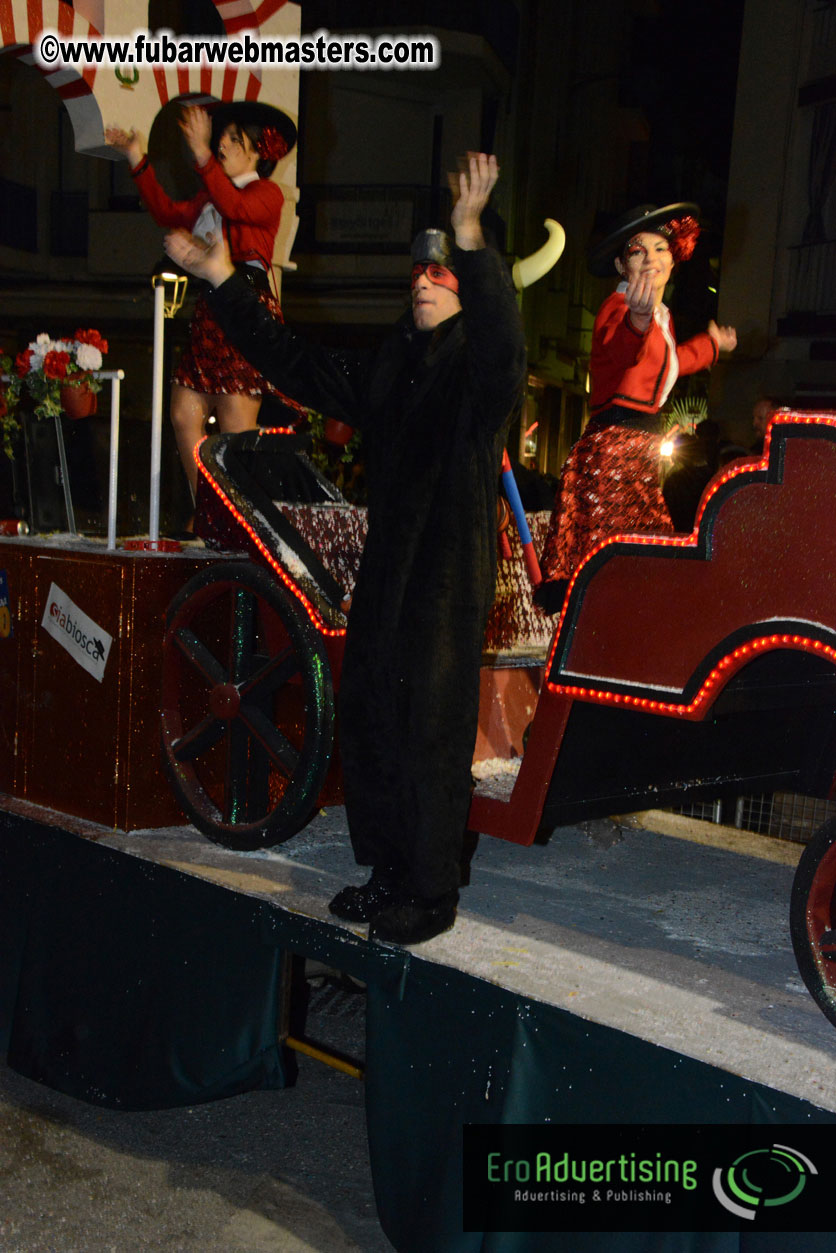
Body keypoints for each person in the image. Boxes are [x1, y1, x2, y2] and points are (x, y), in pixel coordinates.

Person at [165, 154, 526, 946]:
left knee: (431, 726)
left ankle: (430, 893)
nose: (425, 282)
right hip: (388, 571)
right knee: (372, 713)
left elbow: (503, 338)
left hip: (446, 580)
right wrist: (225, 277)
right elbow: (296, 361)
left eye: (444, 273)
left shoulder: (480, 375)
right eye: (420, 272)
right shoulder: (391, 366)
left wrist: (473, 240)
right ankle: (389, 870)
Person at [535, 203, 737, 613]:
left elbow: (672, 362)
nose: (652, 258)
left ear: (674, 257)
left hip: (637, 453)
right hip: (614, 453)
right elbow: (618, 343)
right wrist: (637, 324)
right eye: (638, 251)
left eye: (661, 248)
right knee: (620, 565)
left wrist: (713, 346)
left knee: (636, 564)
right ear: (621, 265)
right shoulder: (620, 306)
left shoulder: (661, 315)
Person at [105, 102, 299, 502]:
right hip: (212, 310)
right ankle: (209, 507)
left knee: (234, 422)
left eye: (233, 139)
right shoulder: (211, 195)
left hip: (246, 310)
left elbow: (236, 207)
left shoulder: (267, 194)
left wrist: (202, 154)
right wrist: (135, 157)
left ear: (259, 151)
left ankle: (240, 515)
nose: (222, 145)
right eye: (221, 137)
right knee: (182, 412)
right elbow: (165, 211)